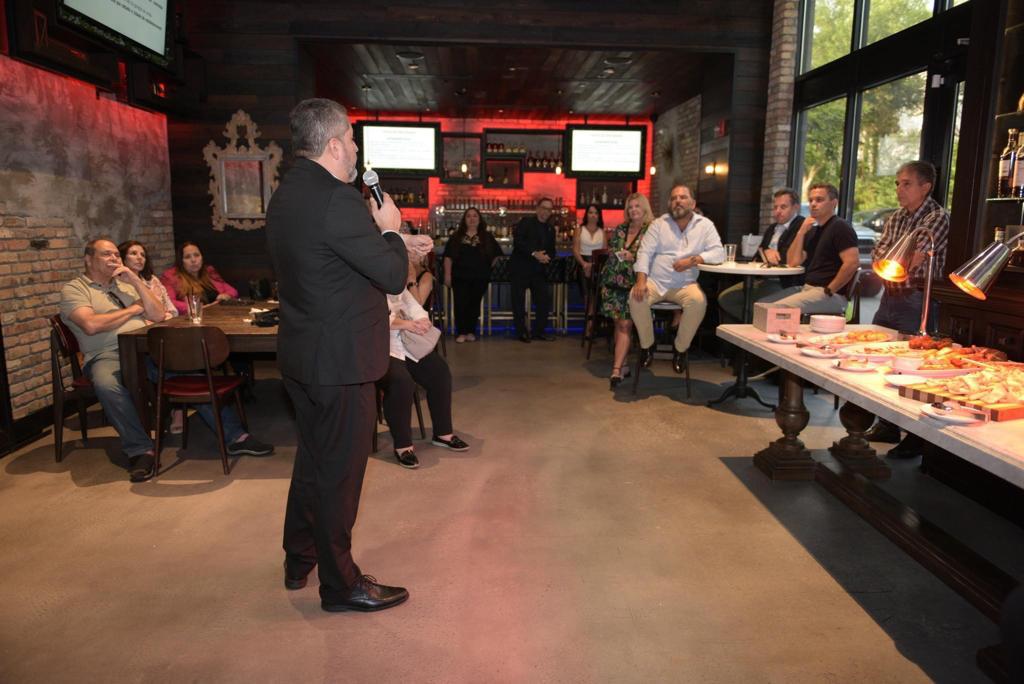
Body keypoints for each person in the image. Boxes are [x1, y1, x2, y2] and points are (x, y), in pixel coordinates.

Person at [265, 97, 433, 614]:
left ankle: (299, 557)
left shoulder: (288, 193)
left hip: (303, 355)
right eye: (353, 140)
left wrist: (393, 241)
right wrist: (391, 228)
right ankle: (341, 585)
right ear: (335, 145)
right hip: (341, 362)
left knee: (314, 461)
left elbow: (336, 259)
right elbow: (391, 276)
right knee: (339, 474)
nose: (357, 149)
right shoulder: (338, 200)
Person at [59, 238, 273, 483]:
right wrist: (134, 310)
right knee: (107, 386)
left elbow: (159, 314)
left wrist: (135, 281)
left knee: (189, 372)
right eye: (107, 254)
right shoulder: (75, 289)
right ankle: (141, 450)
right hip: (106, 354)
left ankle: (236, 437)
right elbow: (91, 324)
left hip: (146, 348)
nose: (114, 259)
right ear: (88, 259)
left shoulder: (126, 285)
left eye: (116, 255)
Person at [862, 161, 951, 456]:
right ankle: (887, 424)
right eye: (898, 183)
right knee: (881, 358)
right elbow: (879, 253)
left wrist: (895, 257)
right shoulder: (897, 216)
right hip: (890, 294)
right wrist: (894, 257)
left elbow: (910, 260)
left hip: (917, 298)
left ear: (926, 187)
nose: (899, 189)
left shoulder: (937, 217)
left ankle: (916, 435)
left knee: (913, 367)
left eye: (907, 183)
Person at [630, 184, 725, 374]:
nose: (677, 201)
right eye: (673, 198)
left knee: (698, 301)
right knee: (635, 297)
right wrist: (641, 281)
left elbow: (719, 253)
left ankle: (680, 348)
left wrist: (694, 260)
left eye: (682, 197)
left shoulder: (705, 225)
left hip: (685, 284)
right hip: (656, 282)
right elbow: (644, 253)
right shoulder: (658, 224)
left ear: (693, 203)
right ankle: (647, 345)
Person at [380, 284, 469, 468]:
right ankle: (403, 446)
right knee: (401, 382)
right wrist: (408, 324)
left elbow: (413, 305)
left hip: (405, 344)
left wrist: (422, 321)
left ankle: (443, 433)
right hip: (378, 349)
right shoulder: (369, 283)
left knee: (439, 372)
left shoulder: (397, 284)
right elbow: (376, 318)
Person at [758, 182, 858, 315]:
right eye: (811, 200)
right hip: (807, 288)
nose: (813, 204)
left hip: (831, 294)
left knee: (771, 311)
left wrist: (829, 290)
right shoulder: (813, 230)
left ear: (834, 203)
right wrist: (801, 232)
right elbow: (793, 262)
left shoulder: (840, 227)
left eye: (819, 200)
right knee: (760, 305)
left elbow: (852, 263)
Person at [717, 188, 806, 323]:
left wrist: (772, 255)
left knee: (757, 304)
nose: (777, 211)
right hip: (763, 279)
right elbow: (759, 255)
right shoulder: (772, 228)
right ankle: (755, 324)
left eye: (783, 207)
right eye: (775, 207)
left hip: (785, 282)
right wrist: (766, 252)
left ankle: (759, 324)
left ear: (796, 207)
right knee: (726, 298)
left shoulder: (802, 227)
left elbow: (789, 258)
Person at [601, 194, 652, 387]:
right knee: (619, 324)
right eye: (630, 207)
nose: (633, 210)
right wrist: (619, 254)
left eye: (637, 206)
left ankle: (616, 370)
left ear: (644, 208)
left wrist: (634, 257)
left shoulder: (651, 230)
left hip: (634, 284)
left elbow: (654, 257)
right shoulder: (621, 229)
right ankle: (622, 365)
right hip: (612, 282)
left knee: (625, 325)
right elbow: (612, 250)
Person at [443, 206, 501, 343]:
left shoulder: (486, 237)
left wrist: (486, 268)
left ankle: (470, 331)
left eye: (475, 216)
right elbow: (448, 257)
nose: (472, 219)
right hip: (459, 276)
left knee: (474, 304)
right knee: (460, 303)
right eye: (468, 216)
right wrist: (447, 275)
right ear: (464, 219)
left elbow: (497, 256)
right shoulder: (456, 237)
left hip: (480, 277)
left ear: (479, 219)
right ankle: (461, 332)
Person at [510, 197, 556, 342]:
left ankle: (538, 331)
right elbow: (518, 242)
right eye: (544, 208)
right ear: (537, 209)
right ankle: (521, 332)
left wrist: (546, 257)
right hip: (521, 267)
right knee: (518, 301)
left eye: (549, 209)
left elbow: (552, 250)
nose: (546, 212)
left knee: (544, 299)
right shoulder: (526, 222)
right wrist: (534, 253)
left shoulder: (551, 229)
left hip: (538, 270)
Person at [160, 242, 239, 315]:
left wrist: (226, 295)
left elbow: (232, 291)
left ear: (202, 257)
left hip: (218, 316)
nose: (193, 260)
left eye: (197, 255)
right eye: (187, 257)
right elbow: (168, 302)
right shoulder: (171, 276)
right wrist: (195, 307)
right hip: (192, 319)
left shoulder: (208, 271)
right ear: (181, 261)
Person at [118, 240, 177, 321]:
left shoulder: (152, 280)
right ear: (123, 258)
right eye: (133, 253)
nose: (140, 258)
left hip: (165, 321)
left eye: (143, 255)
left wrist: (169, 315)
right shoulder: (118, 283)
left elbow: (171, 309)